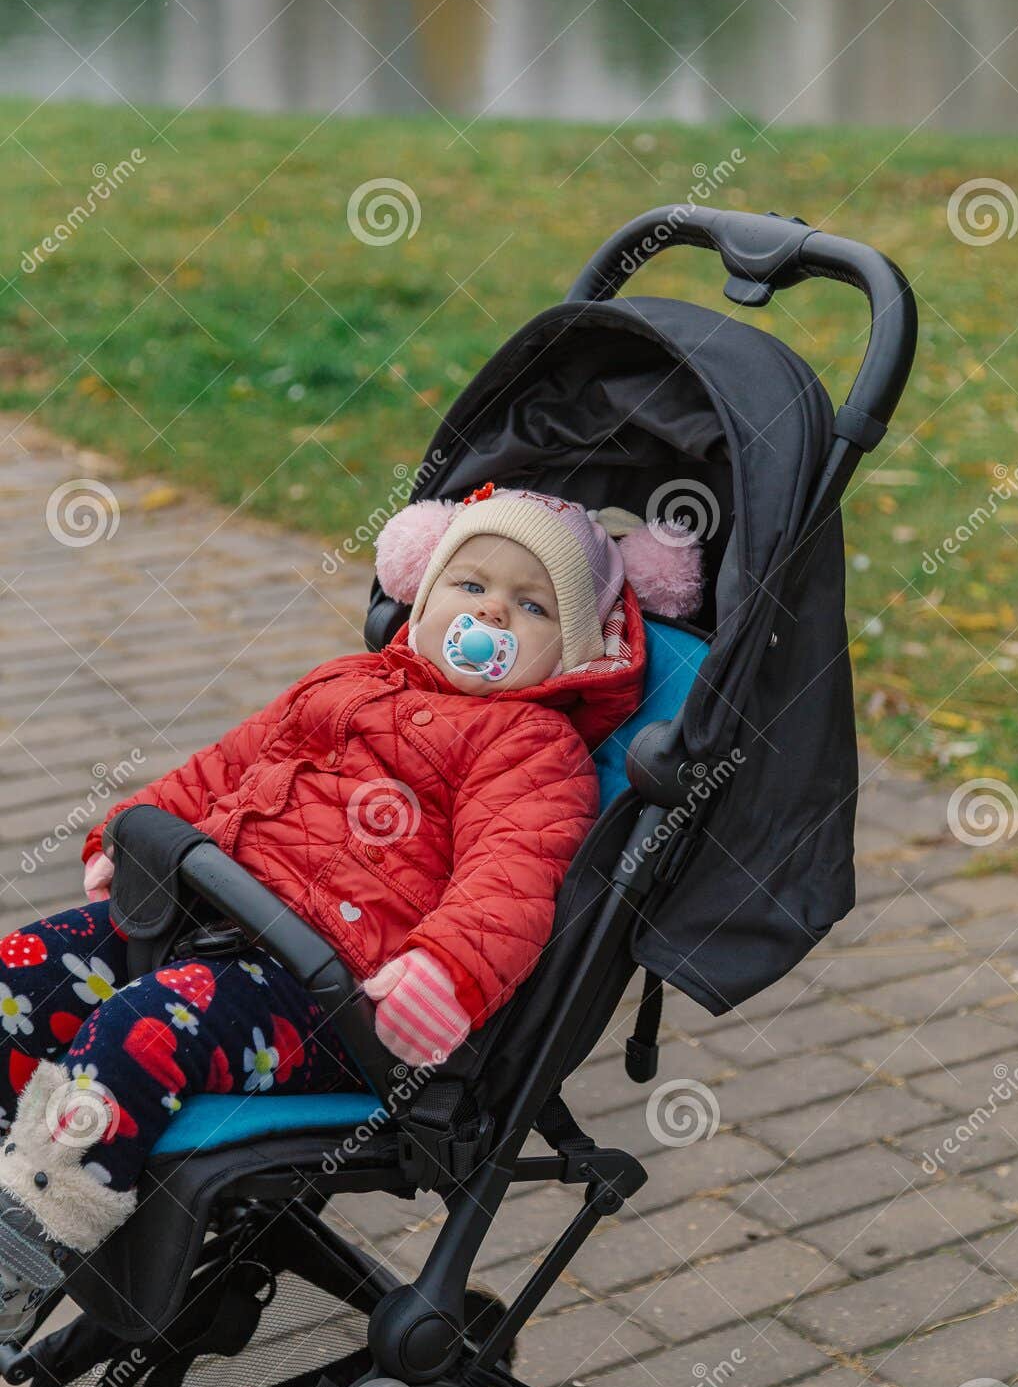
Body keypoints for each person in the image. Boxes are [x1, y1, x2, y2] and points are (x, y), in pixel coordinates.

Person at [0, 483, 702, 1342]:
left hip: (324, 997)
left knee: (141, 1033)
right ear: (423, 584)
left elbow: (506, 879)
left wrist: (443, 973)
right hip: (200, 920)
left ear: (574, 653)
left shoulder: (530, 746)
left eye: (532, 606)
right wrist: (133, 829)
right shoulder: (348, 680)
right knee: (21, 973)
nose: (491, 615)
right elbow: (226, 762)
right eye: (470, 585)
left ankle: (24, 1255)